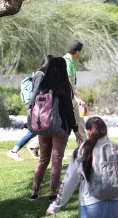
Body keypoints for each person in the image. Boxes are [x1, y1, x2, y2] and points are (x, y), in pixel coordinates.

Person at [46, 117, 118, 218]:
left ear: (87, 131)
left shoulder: (82, 150)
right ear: (105, 131)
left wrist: (55, 205)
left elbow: (68, 182)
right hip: (117, 206)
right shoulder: (116, 148)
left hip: (91, 206)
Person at [31, 57, 82, 201]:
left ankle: (34, 192)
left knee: (43, 159)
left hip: (44, 127)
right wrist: (76, 129)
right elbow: (69, 110)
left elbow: (32, 104)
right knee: (56, 159)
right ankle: (52, 192)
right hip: (60, 128)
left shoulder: (43, 84)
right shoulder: (64, 86)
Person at [7, 55, 53, 161]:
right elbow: (36, 92)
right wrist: (33, 108)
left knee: (40, 130)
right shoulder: (40, 75)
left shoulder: (41, 75)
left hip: (39, 107)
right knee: (34, 131)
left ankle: (35, 150)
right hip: (37, 107)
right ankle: (14, 151)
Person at [64, 39, 87, 142]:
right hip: (69, 98)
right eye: (81, 51)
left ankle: (83, 147)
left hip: (68, 97)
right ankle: (85, 149)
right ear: (78, 52)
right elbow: (68, 82)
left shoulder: (67, 60)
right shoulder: (68, 62)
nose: (81, 53)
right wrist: (76, 98)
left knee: (64, 124)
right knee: (80, 122)